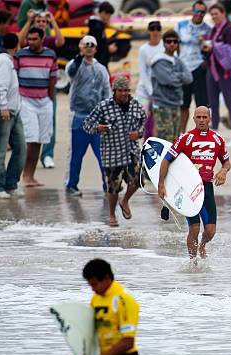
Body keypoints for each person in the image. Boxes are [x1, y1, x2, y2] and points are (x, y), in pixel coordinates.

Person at [158, 106, 230, 261]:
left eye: (205, 117)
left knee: (210, 231)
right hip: (188, 189)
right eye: (199, 117)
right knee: (195, 228)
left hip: (207, 188)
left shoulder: (218, 139)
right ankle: (193, 263)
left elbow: (226, 163)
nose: (202, 120)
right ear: (194, 119)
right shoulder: (186, 138)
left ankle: (202, 245)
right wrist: (161, 184)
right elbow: (166, 160)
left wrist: (223, 171)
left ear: (210, 119)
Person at [83, 77, 146, 227]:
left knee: (139, 181)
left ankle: (125, 201)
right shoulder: (103, 106)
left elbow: (144, 124)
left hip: (132, 151)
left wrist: (139, 133)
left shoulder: (136, 106)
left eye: (126, 90)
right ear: (114, 91)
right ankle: (112, 214)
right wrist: (98, 128)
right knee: (113, 187)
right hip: (112, 154)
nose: (124, 93)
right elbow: (86, 124)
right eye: (120, 91)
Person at [78, 259, 140, 355]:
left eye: (94, 284)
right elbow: (92, 332)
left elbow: (127, 342)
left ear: (106, 278)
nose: (92, 289)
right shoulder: (96, 299)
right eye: (90, 285)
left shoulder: (125, 300)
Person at [65, 35, 111, 197]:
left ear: (96, 48)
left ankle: (108, 184)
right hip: (79, 117)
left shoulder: (101, 69)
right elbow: (70, 72)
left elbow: (107, 92)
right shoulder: (75, 64)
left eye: (92, 45)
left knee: (103, 155)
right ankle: (71, 185)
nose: (89, 47)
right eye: (86, 45)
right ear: (81, 47)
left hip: (98, 120)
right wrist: (79, 57)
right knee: (76, 155)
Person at [19, 10, 64, 170]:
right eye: (38, 21)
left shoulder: (49, 42)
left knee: (48, 125)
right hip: (28, 95)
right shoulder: (29, 41)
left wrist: (53, 21)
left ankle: (47, 155)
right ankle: (30, 162)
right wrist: (28, 21)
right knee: (31, 129)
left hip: (46, 91)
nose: (41, 23)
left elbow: (60, 41)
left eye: (44, 21)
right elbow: (20, 40)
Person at [14, 27, 57, 188]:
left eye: (34, 39)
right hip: (26, 101)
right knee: (30, 138)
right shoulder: (20, 54)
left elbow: (53, 79)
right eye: (29, 39)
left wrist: (49, 98)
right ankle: (24, 175)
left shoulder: (50, 54)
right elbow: (14, 77)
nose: (31, 42)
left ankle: (31, 176)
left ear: (42, 38)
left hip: (44, 101)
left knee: (40, 139)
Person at [175, 0, 211, 134]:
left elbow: (209, 50)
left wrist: (205, 60)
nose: (199, 14)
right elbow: (175, 45)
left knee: (202, 105)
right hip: (184, 69)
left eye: (202, 12)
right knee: (183, 105)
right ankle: (182, 134)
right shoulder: (180, 25)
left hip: (199, 69)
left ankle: (203, 133)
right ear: (192, 11)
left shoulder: (208, 29)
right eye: (197, 11)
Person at [151, 29, 193, 143]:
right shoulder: (159, 61)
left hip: (176, 105)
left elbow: (189, 78)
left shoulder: (177, 60)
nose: (172, 44)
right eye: (169, 41)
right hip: (163, 105)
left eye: (175, 41)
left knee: (175, 140)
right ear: (164, 43)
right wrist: (180, 77)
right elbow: (169, 80)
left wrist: (175, 75)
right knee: (164, 140)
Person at [203, 3, 231, 131]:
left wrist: (214, 46)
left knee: (229, 103)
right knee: (213, 104)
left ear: (223, 13)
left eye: (216, 13)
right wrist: (206, 47)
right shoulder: (213, 30)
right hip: (212, 70)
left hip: (225, 71)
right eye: (211, 14)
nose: (214, 16)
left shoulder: (229, 29)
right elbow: (209, 50)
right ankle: (214, 132)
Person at [0, 33, 25, 199]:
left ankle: (11, 183)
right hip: (5, 111)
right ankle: (0, 186)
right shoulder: (3, 61)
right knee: (0, 151)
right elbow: (0, 85)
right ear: (17, 46)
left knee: (21, 148)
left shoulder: (9, 61)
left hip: (15, 110)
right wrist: (3, 106)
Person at [135, 21, 164, 140]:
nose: (155, 32)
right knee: (144, 121)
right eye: (152, 29)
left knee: (159, 122)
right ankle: (145, 148)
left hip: (162, 88)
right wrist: (151, 92)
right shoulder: (143, 49)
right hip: (145, 89)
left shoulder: (165, 46)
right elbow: (143, 72)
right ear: (148, 31)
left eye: (158, 29)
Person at [88, 1, 117, 68]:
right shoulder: (96, 26)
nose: (109, 18)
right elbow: (96, 45)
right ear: (103, 13)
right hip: (98, 62)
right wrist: (108, 48)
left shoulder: (99, 25)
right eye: (109, 15)